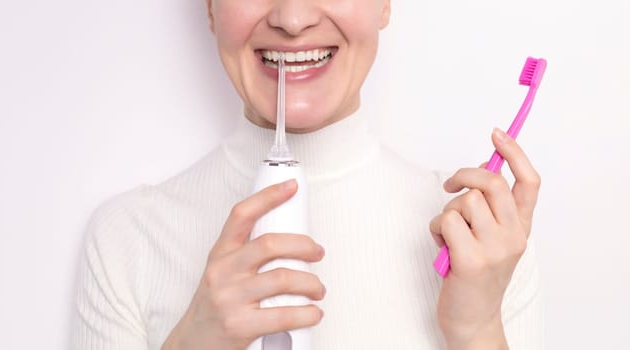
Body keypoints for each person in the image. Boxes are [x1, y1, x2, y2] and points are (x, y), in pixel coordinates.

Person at [71, 0, 544, 348]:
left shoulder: (482, 242)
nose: (292, 19)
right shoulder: (128, 240)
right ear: (210, 7)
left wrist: (476, 330)